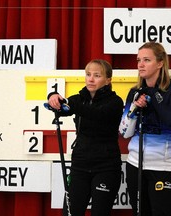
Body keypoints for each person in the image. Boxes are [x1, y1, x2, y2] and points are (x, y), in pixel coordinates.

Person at [48, 59, 124, 216]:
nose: (91, 79)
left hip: (106, 166)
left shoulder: (115, 102)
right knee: (70, 212)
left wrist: (73, 105)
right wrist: (53, 97)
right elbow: (62, 107)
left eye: (97, 75)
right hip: (80, 165)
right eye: (88, 74)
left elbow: (98, 115)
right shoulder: (79, 98)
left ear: (108, 80)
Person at [123, 42, 171, 216]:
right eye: (138, 60)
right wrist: (134, 110)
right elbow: (124, 132)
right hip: (135, 165)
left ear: (160, 63)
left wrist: (153, 93)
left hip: (164, 167)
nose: (140, 65)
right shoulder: (134, 91)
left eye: (146, 60)